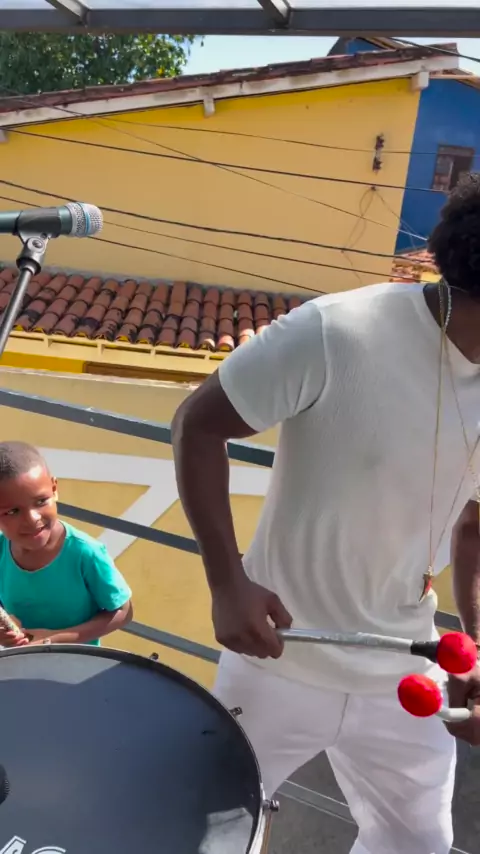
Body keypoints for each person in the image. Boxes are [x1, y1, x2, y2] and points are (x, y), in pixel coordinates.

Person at [172, 174, 480, 854]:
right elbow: (198, 424)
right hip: (279, 657)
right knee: (203, 835)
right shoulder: (337, 330)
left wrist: (476, 649)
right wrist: (227, 582)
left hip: (405, 667)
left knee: (417, 846)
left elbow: (474, 529)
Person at [0, 441, 133, 647]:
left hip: (76, 662)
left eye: (41, 501)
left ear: (54, 489)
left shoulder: (85, 553)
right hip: (22, 661)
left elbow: (123, 611)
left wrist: (54, 639)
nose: (32, 519)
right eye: (12, 511)